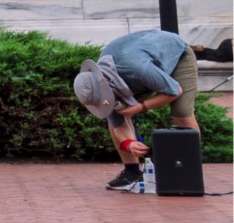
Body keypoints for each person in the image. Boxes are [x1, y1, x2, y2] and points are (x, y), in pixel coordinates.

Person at [73, 28, 201, 189]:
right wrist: (129, 143)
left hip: (177, 57)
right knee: (115, 114)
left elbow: (174, 91)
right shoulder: (100, 81)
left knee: (181, 112)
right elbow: (117, 124)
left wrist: (139, 107)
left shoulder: (137, 69)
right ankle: (131, 173)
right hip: (142, 68)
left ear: (105, 83)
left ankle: (189, 171)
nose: (105, 102)